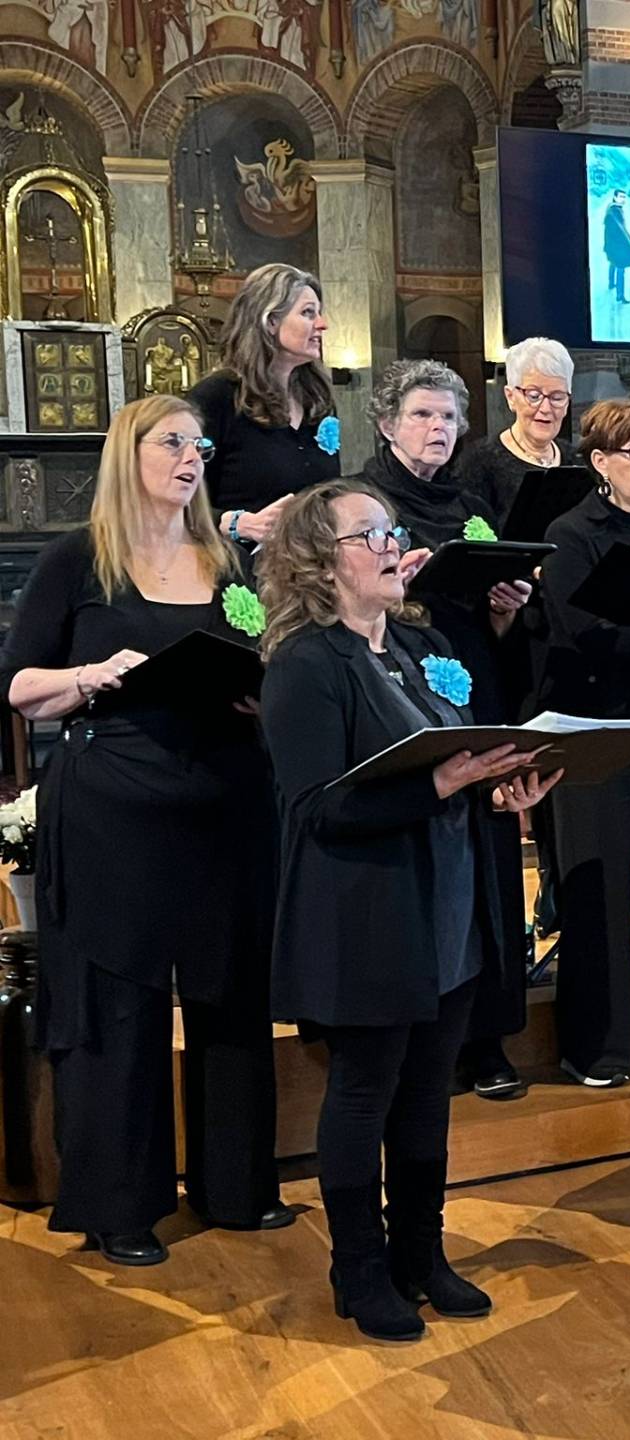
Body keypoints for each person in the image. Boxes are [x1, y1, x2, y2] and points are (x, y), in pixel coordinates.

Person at [257, 481, 557, 1341]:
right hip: (367, 916)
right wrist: (441, 784)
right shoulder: (306, 665)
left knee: (428, 1094)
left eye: (392, 531)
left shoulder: (422, 647)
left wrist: (499, 789)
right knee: (365, 1094)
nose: (393, 546)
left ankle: (421, 1255)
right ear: (320, 563)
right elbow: (316, 808)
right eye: (370, 536)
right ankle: (358, 1268)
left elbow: (458, 761)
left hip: (450, 907)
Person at [1, 395, 284, 1266]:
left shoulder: (227, 562)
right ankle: (118, 1205)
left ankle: (236, 1186)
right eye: (173, 443)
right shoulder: (79, 559)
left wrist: (260, 688)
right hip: (115, 806)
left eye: (200, 445)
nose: (192, 457)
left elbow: (263, 655)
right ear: (130, 454)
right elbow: (19, 687)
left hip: (226, 800)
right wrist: (91, 674)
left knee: (231, 993)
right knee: (119, 1000)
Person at [352, 360, 537, 1099]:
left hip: (472, 684)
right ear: (387, 423)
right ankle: (410, 1037)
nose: (439, 428)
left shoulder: (470, 505)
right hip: (395, 690)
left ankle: (484, 1036)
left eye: (450, 417)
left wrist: (505, 606)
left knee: (488, 862)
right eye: (423, 415)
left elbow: (495, 624)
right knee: (423, 863)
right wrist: (399, 585)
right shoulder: (362, 502)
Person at [535, 398, 630, 1075]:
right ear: (600, 461)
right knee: (599, 892)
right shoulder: (571, 534)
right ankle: (597, 1048)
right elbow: (584, 634)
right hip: (591, 727)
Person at [191, 262, 338, 535]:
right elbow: (181, 497)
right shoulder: (217, 396)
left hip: (312, 552)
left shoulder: (318, 398)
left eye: (319, 313)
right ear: (270, 321)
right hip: (241, 554)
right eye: (308, 313)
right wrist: (235, 523)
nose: (322, 324)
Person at [451, 336, 578, 522]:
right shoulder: (478, 462)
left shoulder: (577, 460)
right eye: (534, 396)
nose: (545, 408)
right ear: (511, 397)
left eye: (557, 397)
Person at [603, 188, 630, 306]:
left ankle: (611, 283)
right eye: (620, 197)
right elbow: (620, 232)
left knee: (613, 262)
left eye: (624, 197)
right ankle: (620, 296)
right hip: (616, 244)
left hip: (611, 244)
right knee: (621, 268)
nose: (623, 199)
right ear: (615, 197)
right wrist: (629, 247)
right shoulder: (614, 211)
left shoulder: (613, 208)